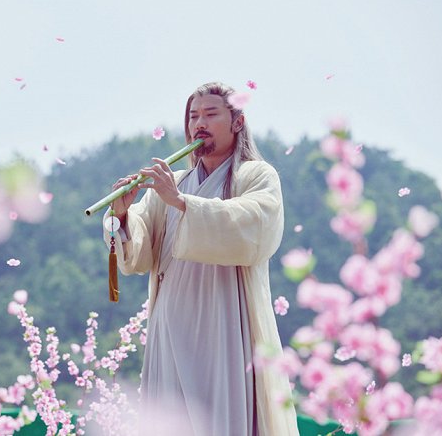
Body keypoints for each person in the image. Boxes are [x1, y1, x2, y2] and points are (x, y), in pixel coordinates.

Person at [104, 82, 299, 435]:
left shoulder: (255, 175)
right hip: (170, 318)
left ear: (237, 121)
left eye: (211, 115)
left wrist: (182, 202)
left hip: (224, 319)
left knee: (219, 417)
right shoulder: (174, 182)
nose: (199, 125)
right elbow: (140, 256)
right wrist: (121, 215)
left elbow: (255, 228)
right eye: (194, 117)